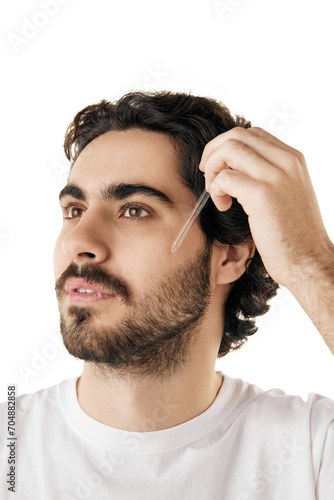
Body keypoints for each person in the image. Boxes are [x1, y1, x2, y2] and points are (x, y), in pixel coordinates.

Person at [1, 90, 333, 499]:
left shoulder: (312, 453)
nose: (78, 242)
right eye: (74, 210)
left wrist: (312, 265)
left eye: (134, 210)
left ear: (228, 255)